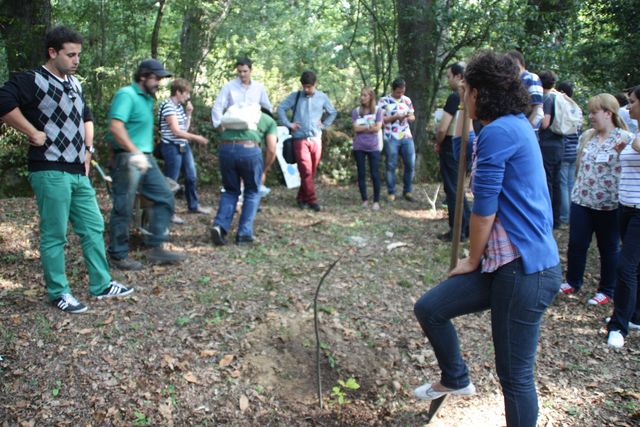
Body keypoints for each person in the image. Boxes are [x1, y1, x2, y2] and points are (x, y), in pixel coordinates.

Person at [412, 51, 560, 427]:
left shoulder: (499, 132)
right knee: (431, 308)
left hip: (524, 270)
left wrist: (471, 260)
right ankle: (455, 378)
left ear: (479, 92)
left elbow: (484, 211)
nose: (462, 99)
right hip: (505, 265)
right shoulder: (511, 124)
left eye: (465, 91)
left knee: (515, 378)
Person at [0, 26, 133, 313]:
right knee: (55, 233)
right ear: (53, 52)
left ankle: (102, 284)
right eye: (70, 55)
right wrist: (31, 132)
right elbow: (3, 102)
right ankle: (58, 292)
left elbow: (86, 115)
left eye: (79, 55)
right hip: (49, 169)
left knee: (93, 226)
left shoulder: (75, 83)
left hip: (77, 170)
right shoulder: (33, 80)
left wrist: (88, 149)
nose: (76, 60)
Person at [107, 59, 186, 270]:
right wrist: (132, 152)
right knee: (124, 206)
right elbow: (116, 127)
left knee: (164, 196)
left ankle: (156, 247)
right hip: (128, 157)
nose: (159, 82)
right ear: (143, 76)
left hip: (146, 157)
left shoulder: (147, 99)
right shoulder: (127, 95)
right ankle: (118, 255)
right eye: (156, 78)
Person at [558, 94, 634, 305]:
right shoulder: (587, 136)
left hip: (609, 204)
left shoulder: (625, 139)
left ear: (608, 113)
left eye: (594, 112)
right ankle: (573, 280)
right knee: (576, 243)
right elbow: (579, 164)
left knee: (608, 247)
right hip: (582, 199)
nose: (590, 116)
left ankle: (607, 289)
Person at [210, 107, 277, 245]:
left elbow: (222, 129)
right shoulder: (269, 121)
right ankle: (244, 234)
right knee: (252, 191)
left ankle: (220, 226)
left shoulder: (237, 115)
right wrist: (264, 169)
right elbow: (271, 149)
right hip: (249, 150)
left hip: (225, 149)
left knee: (230, 190)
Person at [607, 85, 640, 348]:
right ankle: (635, 316)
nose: (628, 108)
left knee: (625, 267)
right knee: (634, 267)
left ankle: (618, 326)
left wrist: (629, 141)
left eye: (631, 103)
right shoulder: (635, 132)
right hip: (625, 206)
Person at [277, 70, 337, 211]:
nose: (306, 89)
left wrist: (324, 124)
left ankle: (301, 198)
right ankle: (312, 200)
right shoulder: (296, 96)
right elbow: (281, 108)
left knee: (310, 172)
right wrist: (289, 124)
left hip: (316, 139)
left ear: (315, 84)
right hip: (299, 139)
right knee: (306, 171)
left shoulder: (322, 97)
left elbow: (332, 112)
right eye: (304, 86)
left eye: (309, 86)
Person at [158, 78, 210, 224]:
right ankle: (168, 212)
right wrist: (197, 138)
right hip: (171, 147)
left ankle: (193, 206)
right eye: (186, 93)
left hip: (183, 146)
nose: (188, 97)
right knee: (171, 181)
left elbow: (184, 129)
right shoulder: (168, 106)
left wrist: (189, 114)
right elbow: (176, 131)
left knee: (191, 177)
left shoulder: (179, 107)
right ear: (178, 92)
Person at [435, 63, 470, 241]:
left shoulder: (455, 97)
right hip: (466, 143)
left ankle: (457, 231)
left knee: (453, 189)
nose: (448, 80)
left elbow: (443, 128)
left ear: (458, 76)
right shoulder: (471, 96)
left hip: (451, 145)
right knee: (458, 188)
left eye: (449, 76)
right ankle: (467, 226)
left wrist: (438, 143)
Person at [378, 78, 416, 202]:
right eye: (398, 92)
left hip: (406, 135)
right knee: (391, 164)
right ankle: (391, 192)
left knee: (410, 164)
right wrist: (395, 117)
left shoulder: (407, 100)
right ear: (393, 90)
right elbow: (380, 120)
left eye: (402, 92)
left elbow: (412, 115)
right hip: (391, 137)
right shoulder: (384, 101)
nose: (400, 94)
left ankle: (408, 191)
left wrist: (409, 117)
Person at [211, 58, 272, 128]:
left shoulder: (259, 87)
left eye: (245, 71)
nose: (242, 74)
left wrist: (266, 124)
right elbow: (218, 107)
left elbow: (267, 107)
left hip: (254, 126)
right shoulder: (229, 86)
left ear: (251, 70)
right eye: (239, 71)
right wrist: (219, 125)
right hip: (233, 125)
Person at [538, 70, 564, 228]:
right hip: (560, 143)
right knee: (557, 181)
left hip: (547, 144)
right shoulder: (559, 97)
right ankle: (557, 218)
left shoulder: (547, 98)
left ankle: (549, 218)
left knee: (547, 181)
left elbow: (545, 123)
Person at [351, 87, 383, 210]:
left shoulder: (378, 111)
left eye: (365, 95)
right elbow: (355, 129)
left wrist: (363, 126)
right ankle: (364, 199)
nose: (362, 97)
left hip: (374, 147)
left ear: (371, 97)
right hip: (359, 146)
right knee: (361, 174)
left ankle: (376, 201)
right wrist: (369, 126)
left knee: (375, 174)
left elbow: (377, 128)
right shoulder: (356, 111)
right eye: (361, 95)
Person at [557, 81, 580, 226]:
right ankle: (572, 214)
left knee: (563, 185)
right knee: (570, 184)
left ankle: (565, 216)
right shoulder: (577, 108)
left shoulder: (562, 106)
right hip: (575, 150)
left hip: (564, 151)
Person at [506, 50, 544, 132]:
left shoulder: (531, 78)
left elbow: (538, 109)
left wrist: (527, 129)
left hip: (527, 131)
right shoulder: (514, 81)